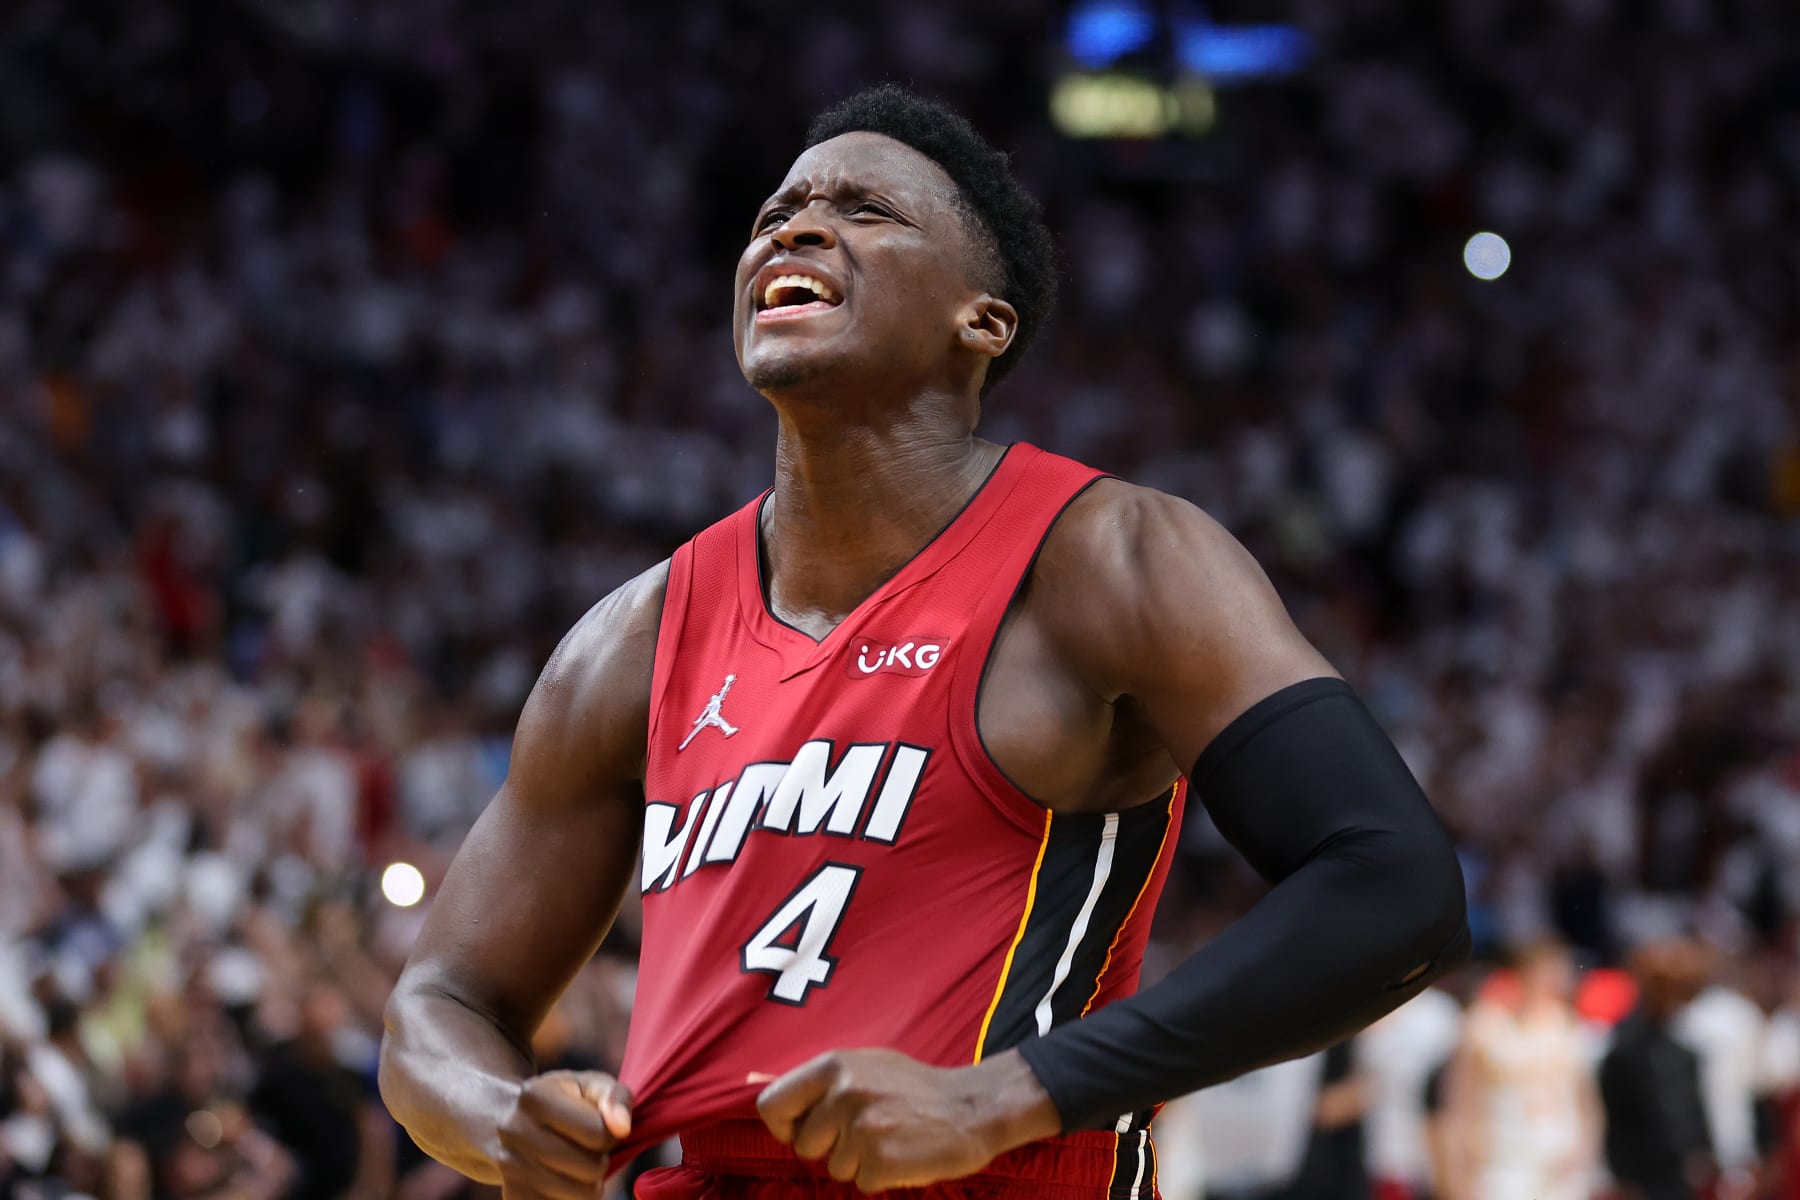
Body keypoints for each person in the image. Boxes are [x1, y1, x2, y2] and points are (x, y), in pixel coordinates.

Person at [379, 85, 1469, 1199]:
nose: (797, 228)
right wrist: (503, 1114)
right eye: (778, 212)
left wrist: (1003, 1095)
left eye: (865, 211)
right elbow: (441, 1002)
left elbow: (1397, 889)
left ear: (981, 320)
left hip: (1009, 1168)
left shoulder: (1115, 559)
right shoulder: (631, 636)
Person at [1440, 941, 1600, 1200]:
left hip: (1559, 1161)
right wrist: (1456, 1174)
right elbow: (1459, 1105)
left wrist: (1586, 1152)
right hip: (1502, 1161)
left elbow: (1585, 1100)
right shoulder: (1485, 1027)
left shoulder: (1567, 1027)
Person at [1600, 939, 1716, 1200]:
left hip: (1680, 1175)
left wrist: (1701, 1152)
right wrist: (1623, 1176)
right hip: (1641, 1179)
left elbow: (1693, 1107)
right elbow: (1616, 1119)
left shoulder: (1683, 1048)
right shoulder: (1624, 1051)